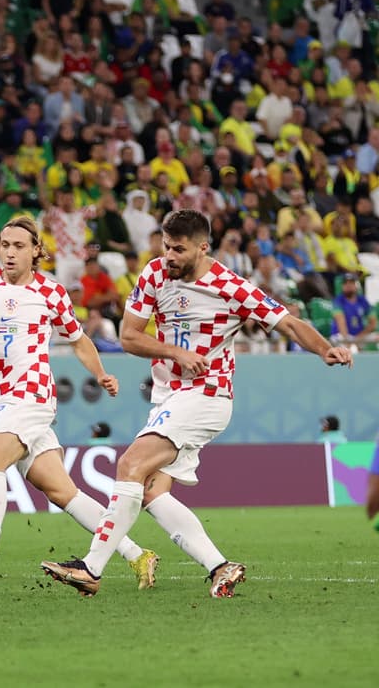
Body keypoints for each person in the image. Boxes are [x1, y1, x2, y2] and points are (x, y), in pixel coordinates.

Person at [42, 209, 353, 598]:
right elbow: (129, 337)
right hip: (169, 398)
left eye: (178, 249)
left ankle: (91, 568)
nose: (168, 256)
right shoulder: (155, 274)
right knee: (153, 490)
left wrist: (325, 350)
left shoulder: (230, 287)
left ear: (202, 247)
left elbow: (286, 322)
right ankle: (221, 567)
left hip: (207, 394)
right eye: (165, 246)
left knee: (129, 464)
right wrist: (176, 352)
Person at [0, 215, 157, 589]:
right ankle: (138, 554)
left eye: (18, 246)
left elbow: (79, 339)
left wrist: (100, 373)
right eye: (4, 245)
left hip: (32, 393)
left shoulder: (50, 292)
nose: (9, 252)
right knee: (61, 491)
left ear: (36, 251)